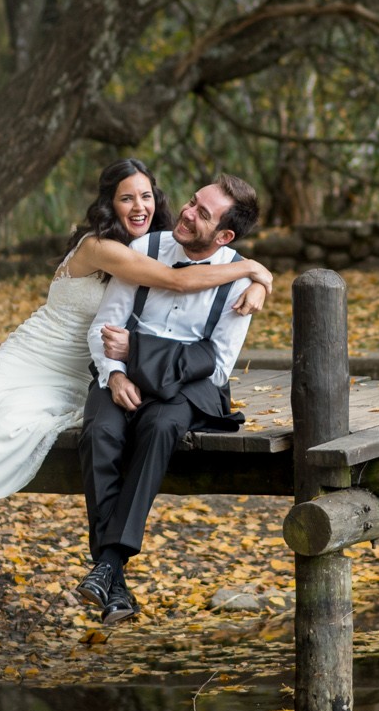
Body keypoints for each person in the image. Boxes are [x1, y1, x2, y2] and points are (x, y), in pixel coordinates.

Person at [0, 160, 271, 560]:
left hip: (78, 371)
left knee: (12, 430)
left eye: (147, 196)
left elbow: (194, 283)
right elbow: (178, 283)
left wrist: (254, 280)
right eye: (126, 198)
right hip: (31, 355)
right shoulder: (103, 248)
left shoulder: (158, 245)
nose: (139, 207)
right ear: (108, 204)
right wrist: (255, 271)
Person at [76, 173, 261, 624]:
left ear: (224, 235)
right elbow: (105, 326)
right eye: (191, 201)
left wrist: (137, 353)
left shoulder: (237, 285)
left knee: (160, 427)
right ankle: (112, 581)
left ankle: (109, 566)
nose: (186, 211)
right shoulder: (144, 251)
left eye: (202, 212)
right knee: (99, 432)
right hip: (124, 373)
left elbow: (215, 365)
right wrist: (117, 374)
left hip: (187, 390)